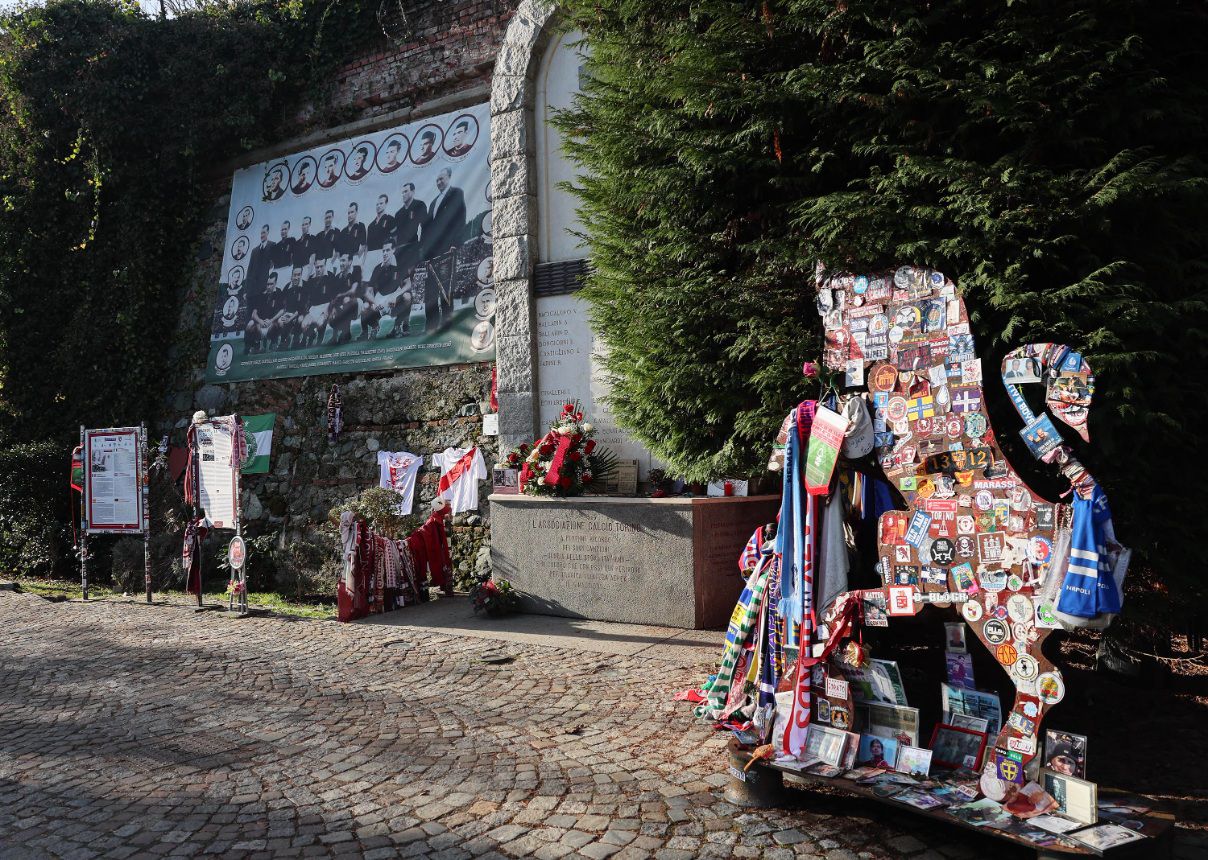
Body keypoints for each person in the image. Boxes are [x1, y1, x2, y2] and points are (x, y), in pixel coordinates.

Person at [360, 242, 408, 339]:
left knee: (407, 296)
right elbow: (367, 291)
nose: (385, 253)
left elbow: (409, 284)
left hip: (394, 299)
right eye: (383, 251)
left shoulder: (399, 265)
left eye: (388, 250)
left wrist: (396, 296)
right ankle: (375, 328)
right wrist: (374, 302)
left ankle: (397, 326)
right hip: (380, 300)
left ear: (393, 250)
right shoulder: (378, 268)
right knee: (365, 307)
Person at [424, 167, 466, 260]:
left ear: (449, 177)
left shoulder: (456, 193)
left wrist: (455, 244)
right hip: (434, 250)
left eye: (441, 179)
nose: (439, 182)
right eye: (437, 180)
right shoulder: (433, 203)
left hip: (450, 247)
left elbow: (460, 219)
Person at [300, 258, 337, 347]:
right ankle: (310, 336)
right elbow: (308, 298)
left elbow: (334, 296)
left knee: (320, 324)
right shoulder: (311, 279)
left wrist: (329, 309)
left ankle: (319, 340)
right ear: (314, 267)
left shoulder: (330, 276)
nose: (319, 269)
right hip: (314, 307)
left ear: (325, 266)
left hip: (326, 306)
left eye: (321, 266)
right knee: (303, 325)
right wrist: (307, 312)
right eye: (317, 267)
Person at [244, 271, 284, 353]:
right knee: (249, 325)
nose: (268, 287)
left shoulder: (279, 292)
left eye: (271, 284)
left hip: (272, 322)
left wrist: (271, 320)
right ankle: (252, 345)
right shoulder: (261, 295)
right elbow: (254, 314)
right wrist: (260, 321)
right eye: (267, 284)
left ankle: (274, 341)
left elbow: (282, 310)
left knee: (280, 322)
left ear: (275, 283)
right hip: (261, 323)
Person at [393, 181, 427, 273]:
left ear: (413, 192)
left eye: (406, 191)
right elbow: (395, 235)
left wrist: (422, 246)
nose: (403, 194)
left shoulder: (419, 205)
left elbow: (425, 226)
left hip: (413, 248)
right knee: (401, 277)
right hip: (400, 251)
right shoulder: (398, 213)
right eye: (402, 192)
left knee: (414, 275)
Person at [275, 266, 309, 350]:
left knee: (300, 320)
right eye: (294, 275)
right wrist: (284, 316)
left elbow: (301, 308)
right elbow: (282, 305)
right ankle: (285, 340)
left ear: (301, 275)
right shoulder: (287, 287)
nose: (296, 277)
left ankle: (297, 339)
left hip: (301, 313)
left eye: (298, 275)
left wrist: (290, 319)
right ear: (292, 275)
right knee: (280, 321)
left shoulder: (305, 286)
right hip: (289, 313)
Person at [246, 225, 276, 290]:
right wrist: (247, 288)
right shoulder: (254, 251)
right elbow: (250, 270)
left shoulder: (272, 245)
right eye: (261, 233)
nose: (262, 235)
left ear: (268, 232)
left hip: (265, 286)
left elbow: (273, 264)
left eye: (264, 233)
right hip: (253, 287)